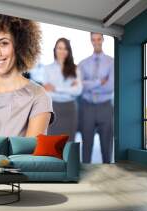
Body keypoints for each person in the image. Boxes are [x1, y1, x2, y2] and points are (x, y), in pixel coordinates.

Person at [78, 32, 114, 163]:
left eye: (99, 39)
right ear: (90, 41)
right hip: (87, 107)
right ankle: (86, 178)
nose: (96, 42)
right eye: (93, 39)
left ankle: (108, 179)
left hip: (105, 107)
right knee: (86, 146)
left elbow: (110, 86)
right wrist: (99, 82)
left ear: (103, 39)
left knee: (107, 147)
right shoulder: (83, 64)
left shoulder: (111, 62)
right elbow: (80, 87)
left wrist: (89, 84)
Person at [41, 38, 82, 141]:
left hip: (70, 109)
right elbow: (47, 92)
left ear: (69, 51)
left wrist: (56, 89)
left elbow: (78, 90)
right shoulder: (47, 69)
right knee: (52, 142)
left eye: (65, 48)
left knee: (69, 142)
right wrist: (69, 89)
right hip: (53, 108)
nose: (62, 51)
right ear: (55, 49)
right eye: (59, 48)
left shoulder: (75, 69)